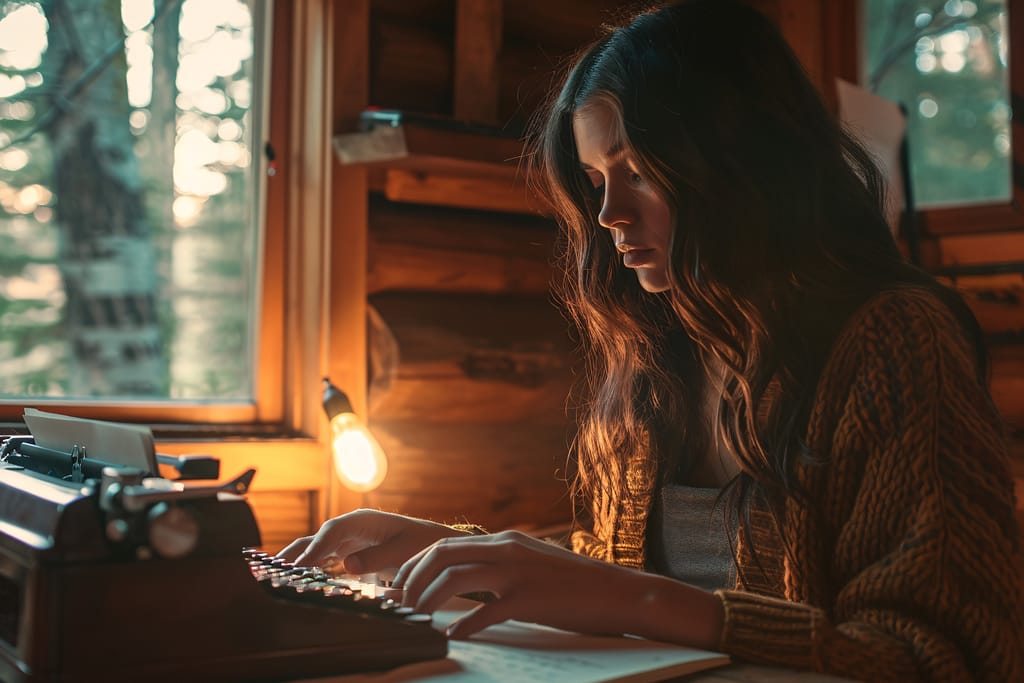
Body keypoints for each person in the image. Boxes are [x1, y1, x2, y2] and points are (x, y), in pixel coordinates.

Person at [280, 1, 1024, 679]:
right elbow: (614, 585)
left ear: (738, 164)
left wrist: (635, 600)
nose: (607, 213)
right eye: (597, 177)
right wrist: (448, 551)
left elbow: (940, 653)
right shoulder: (657, 352)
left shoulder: (891, 340)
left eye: (637, 172)